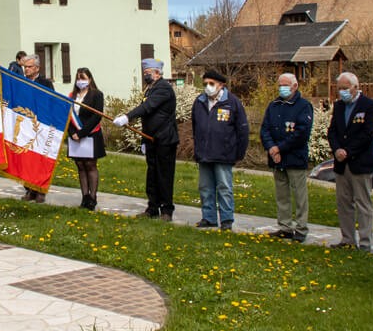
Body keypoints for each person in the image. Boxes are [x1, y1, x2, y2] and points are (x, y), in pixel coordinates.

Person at [112, 58, 179, 221]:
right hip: (151, 139)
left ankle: (166, 210)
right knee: (152, 175)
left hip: (165, 139)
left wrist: (127, 117)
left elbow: (148, 107)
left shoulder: (163, 88)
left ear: (157, 73)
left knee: (164, 175)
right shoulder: (150, 88)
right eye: (144, 73)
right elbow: (147, 116)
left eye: (148, 73)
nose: (145, 76)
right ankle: (152, 207)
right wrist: (143, 141)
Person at [327, 71, 373, 251]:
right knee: (344, 203)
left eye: (345, 88)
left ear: (355, 87)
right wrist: (337, 150)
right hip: (341, 164)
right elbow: (332, 131)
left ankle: (365, 242)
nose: (342, 91)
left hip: (360, 162)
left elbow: (368, 133)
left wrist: (348, 151)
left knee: (363, 203)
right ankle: (348, 239)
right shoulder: (339, 106)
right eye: (339, 88)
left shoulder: (369, 106)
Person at [191, 70, 249, 231]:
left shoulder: (232, 103)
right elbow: (195, 127)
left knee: (224, 187)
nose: (208, 87)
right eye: (205, 84)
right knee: (205, 187)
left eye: (211, 84)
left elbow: (242, 129)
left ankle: (226, 219)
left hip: (224, 153)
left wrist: (239, 152)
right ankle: (208, 218)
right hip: (204, 153)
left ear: (221, 85)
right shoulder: (199, 102)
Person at [260, 72, 314, 242]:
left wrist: (279, 148)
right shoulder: (273, 105)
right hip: (277, 158)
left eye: (285, 85)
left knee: (299, 196)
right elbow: (265, 129)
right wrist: (271, 148)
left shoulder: (303, 106)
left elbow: (301, 133)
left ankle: (301, 228)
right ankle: (284, 226)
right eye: (279, 85)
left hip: (294, 157)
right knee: (282, 195)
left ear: (294, 86)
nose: (281, 88)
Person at [67, 67, 107, 210]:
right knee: (80, 166)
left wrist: (82, 133)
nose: (80, 81)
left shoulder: (96, 95)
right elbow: (68, 116)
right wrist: (72, 133)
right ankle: (84, 197)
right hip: (74, 135)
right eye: (78, 78)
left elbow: (97, 116)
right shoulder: (72, 95)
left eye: (83, 78)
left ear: (89, 79)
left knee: (90, 165)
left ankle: (92, 198)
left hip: (90, 134)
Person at [20, 54, 54, 202]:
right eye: (25, 67)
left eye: (29, 67)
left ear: (37, 68)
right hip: (25, 126)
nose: (26, 70)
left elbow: (52, 102)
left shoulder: (45, 83)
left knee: (40, 160)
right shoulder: (21, 83)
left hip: (42, 126)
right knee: (26, 160)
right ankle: (29, 189)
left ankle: (40, 190)